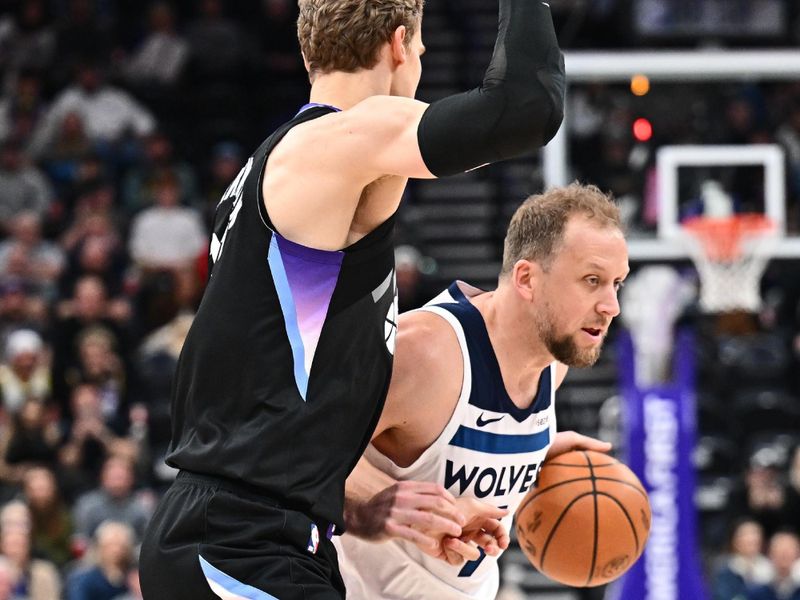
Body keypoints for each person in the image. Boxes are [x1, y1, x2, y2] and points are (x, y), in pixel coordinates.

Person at [139, 0, 565, 597]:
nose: (419, 66)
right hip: (238, 542)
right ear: (398, 45)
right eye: (420, 51)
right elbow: (525, 107)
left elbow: (279, 403)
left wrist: (372, 505)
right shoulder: (329, 146)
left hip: (271, 539)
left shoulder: (318, 174)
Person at [334, 183, 627, 599]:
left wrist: (534, 452)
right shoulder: (425, 352)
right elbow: (289, 445)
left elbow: (444, 448)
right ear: (526, 278)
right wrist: (372, 497)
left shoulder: (552, 364)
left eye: (617, 283)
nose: (611, 305)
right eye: (592, 280)